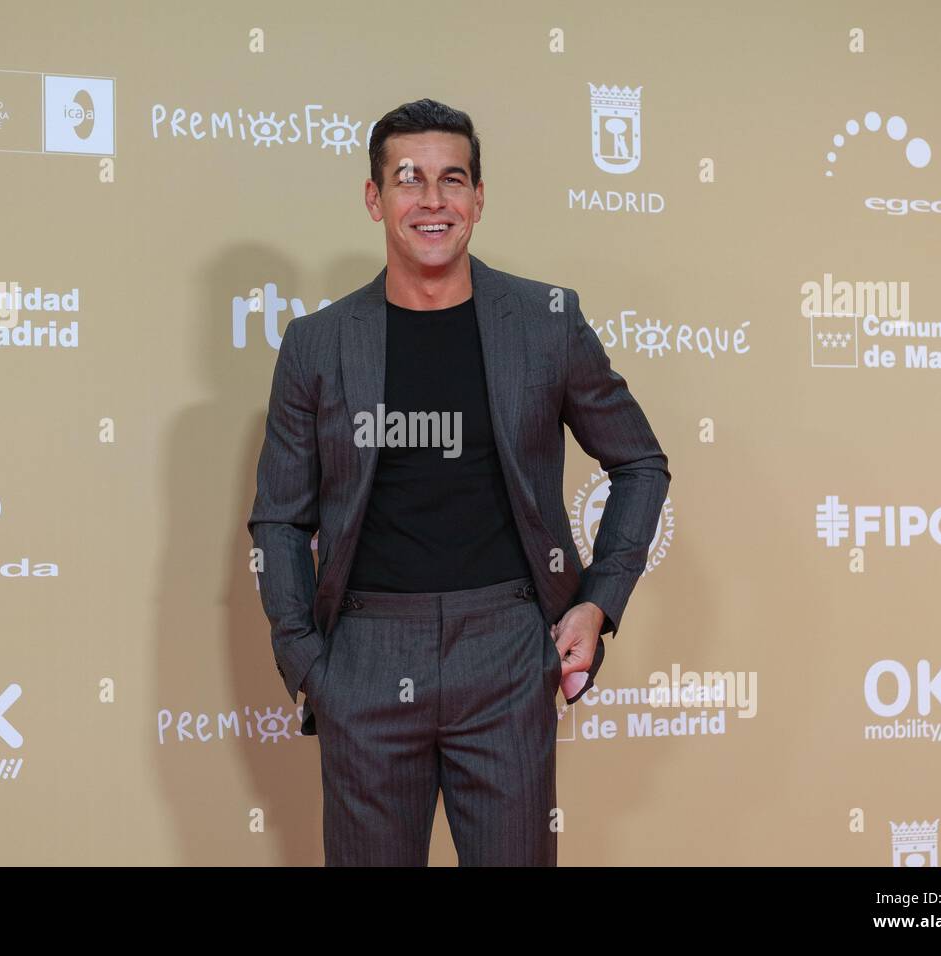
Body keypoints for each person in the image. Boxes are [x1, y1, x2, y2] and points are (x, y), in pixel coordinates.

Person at [247, 98, 670, 866]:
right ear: (375, 198)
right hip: (365, 656)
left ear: (479, 197)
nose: (432, 200)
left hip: (505, 650)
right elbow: (279, 519)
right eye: (409, 180)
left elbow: (639, 464)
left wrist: (598, 603)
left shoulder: (546, 322)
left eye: (453, 179)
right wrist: (310, 666)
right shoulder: (315, 344)